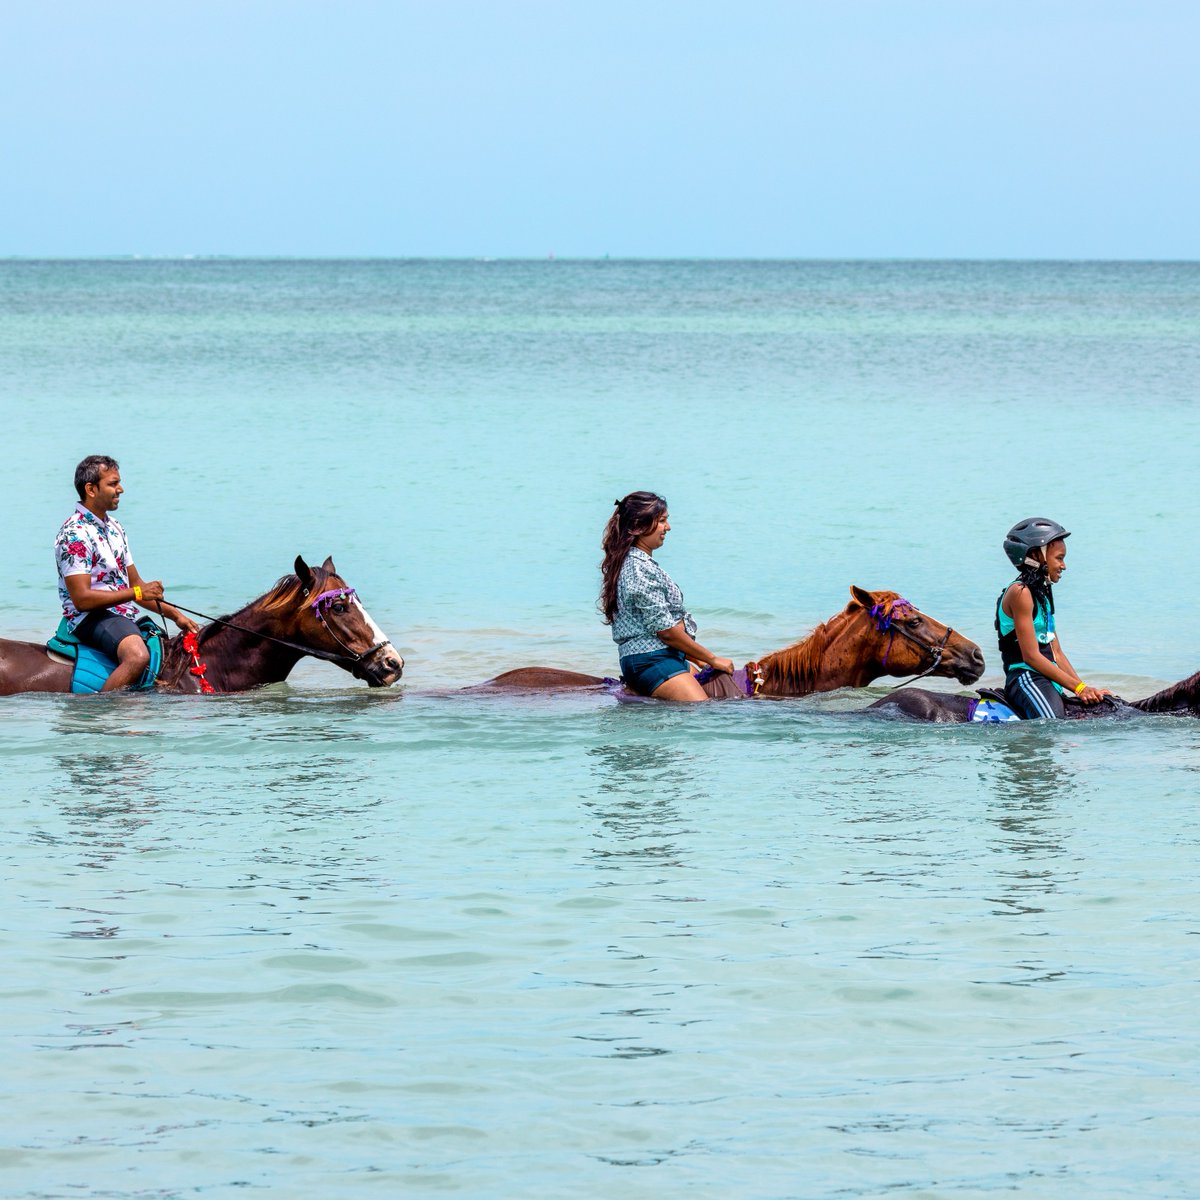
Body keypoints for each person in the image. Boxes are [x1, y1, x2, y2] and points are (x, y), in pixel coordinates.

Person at [54, 455, 198, 692]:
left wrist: (176, 616)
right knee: (137, 655)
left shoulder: (115, 528)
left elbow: (136, 585)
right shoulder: (74, 534)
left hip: (119, 615)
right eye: (112, 484)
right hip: (88, 617)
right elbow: (82, 599)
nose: (120, 489)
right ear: (91, 489)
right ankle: (101, 711)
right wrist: (137, 592)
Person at [599, 491, 734, 702]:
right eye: (662, 521)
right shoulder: (638, 568)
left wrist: (697, 660)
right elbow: (666, 632)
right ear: (638, 526)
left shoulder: (640, 564)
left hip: (666, 657)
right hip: (651, 661)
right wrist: (712, 658)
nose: (668, 527)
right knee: (703, 710)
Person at [995, 517, 1111, 719]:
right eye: (1059, 558)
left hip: (1048, 679)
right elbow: (1031, 656)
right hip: (1026, 677)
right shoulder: (1020, 593)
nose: (1063, 565)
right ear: (1036, 556)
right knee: (1053, 726)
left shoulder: (1042, 594)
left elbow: (1056, 652)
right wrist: (1078, 688)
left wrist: (1085, 688)